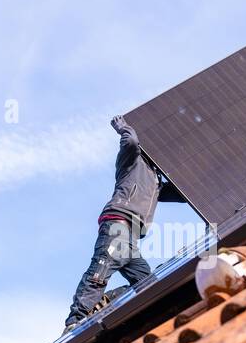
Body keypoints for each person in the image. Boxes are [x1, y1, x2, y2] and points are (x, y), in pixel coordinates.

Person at [65, 115, 182, 328]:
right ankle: (75, 321)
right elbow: (131, 142)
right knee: (101, 270)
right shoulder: (131, 161)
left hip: (131, 238)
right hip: (117, 224)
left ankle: (116, 301)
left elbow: (180, 192)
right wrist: (124, 128)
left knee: (147, 283)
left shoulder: (155, 181)